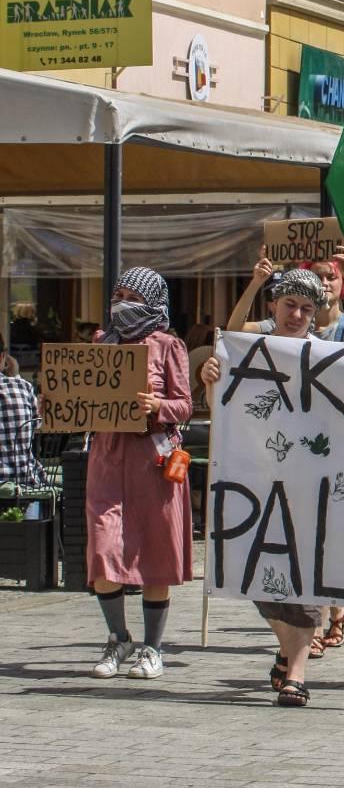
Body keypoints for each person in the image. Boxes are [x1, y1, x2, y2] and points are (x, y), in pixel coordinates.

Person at [201, 270, 328, 704]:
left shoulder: (326, 356)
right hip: (256, 480)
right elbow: (222, 405)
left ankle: (296, 673)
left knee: (306, 577)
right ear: (273, 306)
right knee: (257, 572)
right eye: (290, 305)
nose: (297, 315)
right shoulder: (248, 349)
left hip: (309, 484)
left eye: (306, 309)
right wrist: (213, 380)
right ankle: (287, 647)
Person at [86, 268, 194, 682]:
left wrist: (158, 407)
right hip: (108, 458)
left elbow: (185, 405)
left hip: (152, 460)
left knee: (155, 552)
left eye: (132, 295)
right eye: (118, 294)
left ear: (151, 301)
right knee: (102, 549)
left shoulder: (169, 346)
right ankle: (118, 637)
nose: (122, 301)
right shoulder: (101, 342)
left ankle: (153, 647)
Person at [228, 243, 344, 345]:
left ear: (343, 282)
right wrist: (256, 282)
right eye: (318, 277)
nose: (324, 283)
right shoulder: (287, 324)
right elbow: (235, 328)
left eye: (331, 277)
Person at [0, 333, 42, 485]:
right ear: (3, 357)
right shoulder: (23, 386)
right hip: (25, 480)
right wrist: (16, 376)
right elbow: (38, 424)